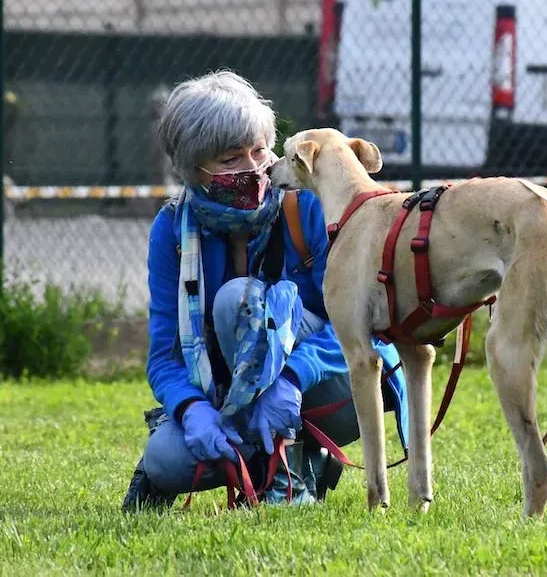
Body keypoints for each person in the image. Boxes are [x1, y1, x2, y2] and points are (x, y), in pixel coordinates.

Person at [121, 70, 408, 511]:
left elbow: (363, 324)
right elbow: (164, 358)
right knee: (166, 461)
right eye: (230, 159)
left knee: (239, 302)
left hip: (339, 385)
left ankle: (289, 478)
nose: (253, 168)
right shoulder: (172, 230)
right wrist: (190, 409)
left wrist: (290, 378)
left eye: (259, 150)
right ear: (193, 170)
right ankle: (300, 462)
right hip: (227, 395)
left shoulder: (310, 203)